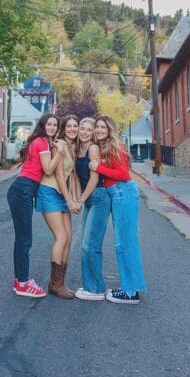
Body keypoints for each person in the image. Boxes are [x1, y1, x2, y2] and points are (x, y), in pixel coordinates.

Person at [88, 115, 146, 305]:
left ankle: (130, 293)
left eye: (102, 127)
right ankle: (132, 287)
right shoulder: (106, 147)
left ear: (109, 129)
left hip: (123, 193)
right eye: (97, 127)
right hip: (119, 194)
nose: (98, 130)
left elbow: (122, 174)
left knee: (124, 243)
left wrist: (99, 167)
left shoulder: (114, 145)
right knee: (127, 242)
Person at [8, 113, 60, 298]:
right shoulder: (42, 142)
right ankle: (22, 283)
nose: (52, 127)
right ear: (43, 125)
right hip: (23, 189)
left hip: (22, 189)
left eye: (55, 125)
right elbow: (47, 169)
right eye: (49, 124)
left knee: (22, 238)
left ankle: (19, 280)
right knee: (24, 239)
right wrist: (59, 152)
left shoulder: (40, 141)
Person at [35, 114, 79, 299]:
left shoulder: (72, 147)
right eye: (69, 126)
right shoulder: (59, 145)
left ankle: (60, 282)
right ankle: (55, 284)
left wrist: (76, 199)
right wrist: (69, 201)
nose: (72, 129)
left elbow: (72, 175)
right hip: (49, 191)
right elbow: (59, 175)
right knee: (61, 236)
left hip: (62, 194)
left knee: (68, 237)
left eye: (75, 126)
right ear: (64, 128)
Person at [73, 117, 110, 301]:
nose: (86, 132)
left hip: (99, 198)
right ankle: (89, 286)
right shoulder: (77, 149)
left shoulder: (93, 148)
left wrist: (80, 199)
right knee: (84, 245)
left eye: (89, 129)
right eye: (83, 128)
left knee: (91, 245)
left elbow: (94, 179)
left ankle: (98, 288)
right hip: (89, 199)